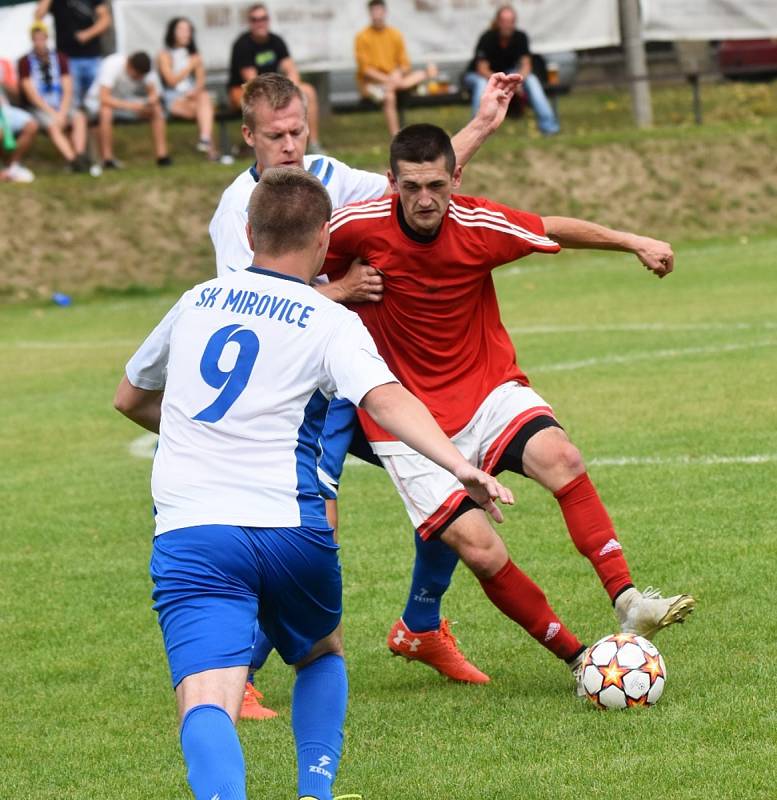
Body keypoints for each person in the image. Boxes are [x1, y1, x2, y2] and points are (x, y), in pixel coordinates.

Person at [114, 165, 512, 800]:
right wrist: (460, 464)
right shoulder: (328, 319)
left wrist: (199, 427)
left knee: (206, 697)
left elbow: (130, 396)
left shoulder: (196, 300)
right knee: (321, 651)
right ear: (326, 240)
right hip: (289, 527)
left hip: (192, 531)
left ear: (248, 232)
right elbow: (385, 399)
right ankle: (314, 793)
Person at [322, 123, 696, 686]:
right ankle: (583, 663)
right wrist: (341, 289)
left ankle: (627, 599)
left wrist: (634, 241)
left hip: (485, 388)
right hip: (402, 415)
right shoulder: (353, 227)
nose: (426, 199)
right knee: (479, 547)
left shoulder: (477, 223)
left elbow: (553, 228)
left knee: (563, 458)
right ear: (392, 181)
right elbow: (282, 277)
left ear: (456, 178)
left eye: (438, 185)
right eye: (413, 186)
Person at [209, 71, 524, 717]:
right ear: (249, 137)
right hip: (297, 400)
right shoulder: (235, 214)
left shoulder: (325, 173)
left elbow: (414, 183)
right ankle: (237, 673)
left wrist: (484, 122)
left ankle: (422, 626)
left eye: (298, 130)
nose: (291, 145)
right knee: (306, 532)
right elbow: (247, 310)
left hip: (357, 381)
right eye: (276, 136)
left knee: (446, 478)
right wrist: (339, 293)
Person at [227, 3, 323, 152]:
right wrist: (278, 92)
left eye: (263, 18)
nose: (260, 23)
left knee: (307, 91)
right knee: (264, 100)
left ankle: (313, 144)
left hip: (273, 87)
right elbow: (253, 81)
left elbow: (291, 69)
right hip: (244, 91)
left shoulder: (276, 41)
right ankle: (266, 145)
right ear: (249, 22)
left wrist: (292, 89)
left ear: (268, 20)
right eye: (255, 19)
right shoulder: (242, 45)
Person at [463, 4, 559, 136]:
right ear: (497, 22)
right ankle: (476, 131)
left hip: (506, 74)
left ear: (514, 23)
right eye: (504, 21)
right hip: (478, 76)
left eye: (510, 21)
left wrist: (518, 80)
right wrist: (504, 81)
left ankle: (549, 127)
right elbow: (482, 69)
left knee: (531, 79)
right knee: (481, 84)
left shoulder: (520, 37)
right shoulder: (487, 38)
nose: (507, 25)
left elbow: (526, 65)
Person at [354, 0, 437, 137]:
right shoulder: (362, 37)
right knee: (390, 96)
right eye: (374, 11)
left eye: (379, 10)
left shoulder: (395, 34)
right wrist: (389, 79)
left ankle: (409, 81)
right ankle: (396, 137)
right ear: (369, 13)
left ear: (385, 12)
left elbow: (405, 65)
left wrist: (397, 74)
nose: (377, 15)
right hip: (372, 85)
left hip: (394, 80)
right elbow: (365, 70)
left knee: (411, 78)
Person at [18, 21, 89, 172]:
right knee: (53, 126)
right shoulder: (25, 62)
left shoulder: (59, 58)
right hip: (41, 106)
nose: (39, 42)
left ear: (47, 38)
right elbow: (31, 94)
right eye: (36, 38)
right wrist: (53, 113)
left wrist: (62, 112)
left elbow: (67, 88)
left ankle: (80, 154)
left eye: (42, 38)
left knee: (79, 117)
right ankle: (73, 161)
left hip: (60, 103)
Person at [84, 51, 171, 169]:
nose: (139, 79)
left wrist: (150, 101)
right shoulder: (112, 64)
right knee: (106, 111)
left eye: (141, 77)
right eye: (136, 76)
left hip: (126, 102)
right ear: (129, 64)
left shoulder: (147, 69)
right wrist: (132, 106)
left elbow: (155, 93)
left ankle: (162, 156)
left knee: (156, 109)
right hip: (96, 104)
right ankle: (107, 159)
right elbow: (104, 98)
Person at [158, 17, 216, 159]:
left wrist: (194, 91)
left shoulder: (194, 55)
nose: (185, 33)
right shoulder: (164, 55)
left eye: (188, 30)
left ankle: (204, 139)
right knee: (205, 110)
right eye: (181, 29)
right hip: (173, 98)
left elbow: (201, 80)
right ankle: (211, 151)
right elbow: (171, 81)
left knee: (204, 98)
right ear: (172, 32)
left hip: (192, 97)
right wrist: (190, 65)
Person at [34, 0, 112, 106]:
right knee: (73, 102)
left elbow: (105, 20)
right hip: (67, 58)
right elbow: (38, 15)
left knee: (95, 102)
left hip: (93, 56)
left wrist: (88, 34)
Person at [1, 59, 38, 183]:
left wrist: (4, 82)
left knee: (31, 125)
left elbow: (17, 95)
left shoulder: (4, 64)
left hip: (5, 109)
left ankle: (12, 166)